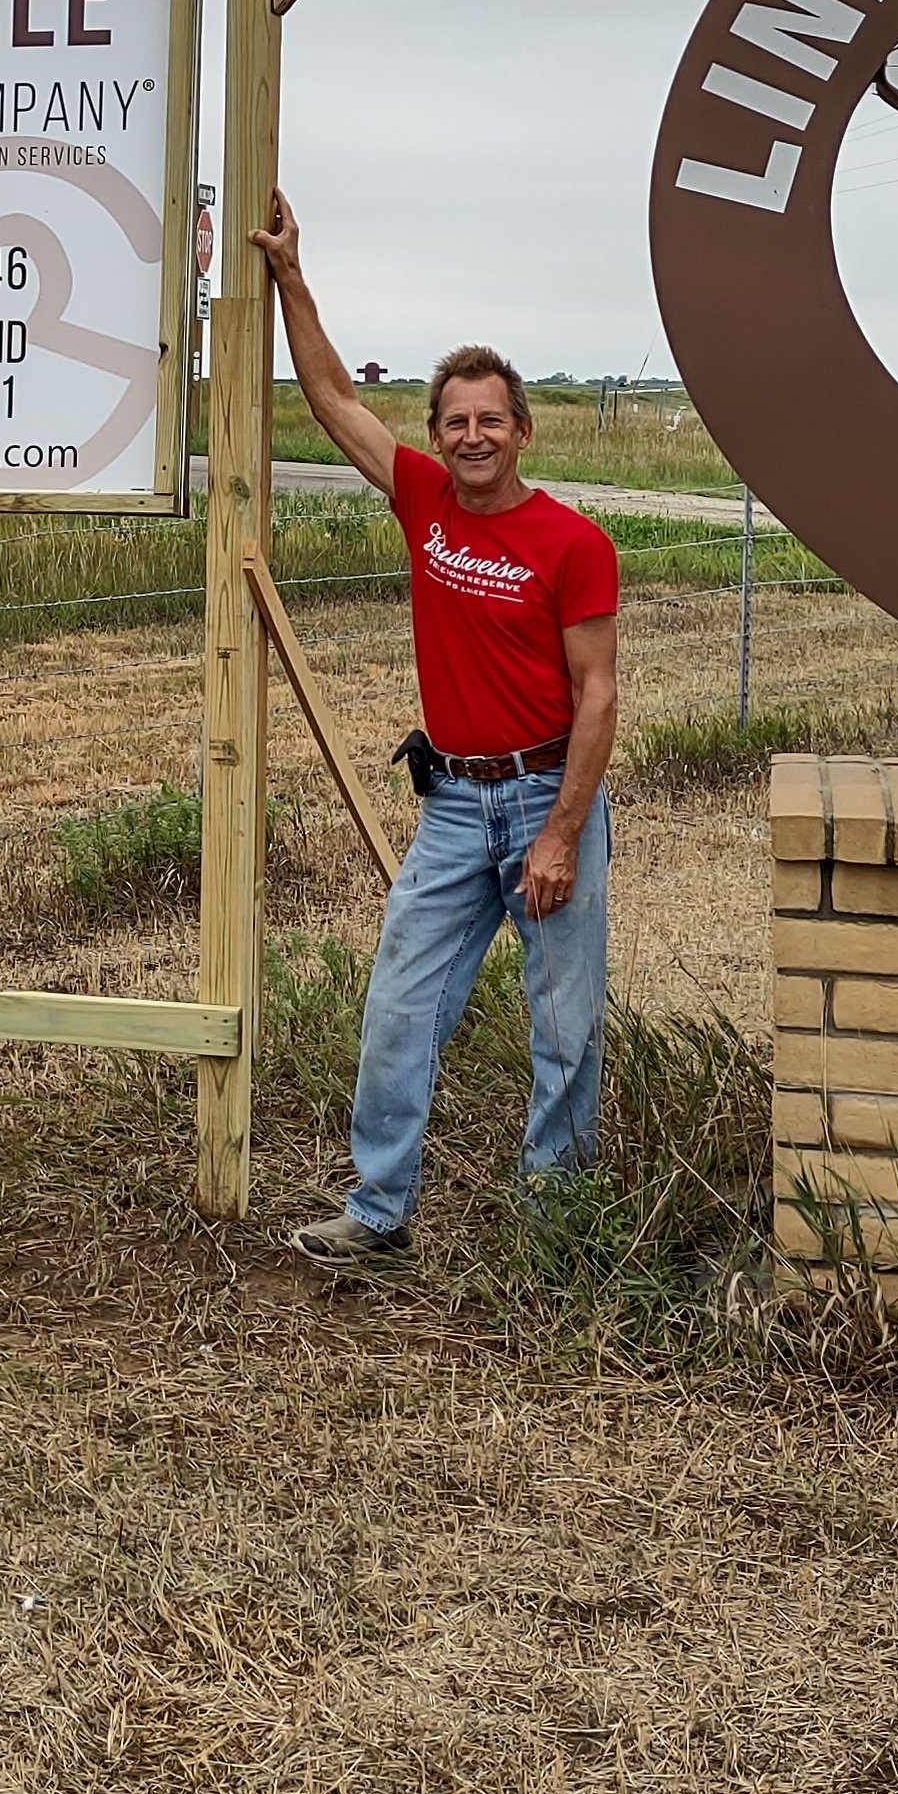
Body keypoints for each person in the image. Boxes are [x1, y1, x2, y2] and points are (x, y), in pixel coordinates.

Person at [248, 193, 618, 1267]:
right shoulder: (423, 501)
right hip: (455, 803)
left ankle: (556, 1226)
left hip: (549, 798)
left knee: (565, 1028)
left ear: (520, 429)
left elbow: (598, 700)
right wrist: (291, 277)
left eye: (489, 419)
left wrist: (558, 834)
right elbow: (326, 396)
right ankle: (378, 1211)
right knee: (401, 1005)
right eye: (454, 420)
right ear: (437, 433)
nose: (471, 437)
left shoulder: (573, 542)